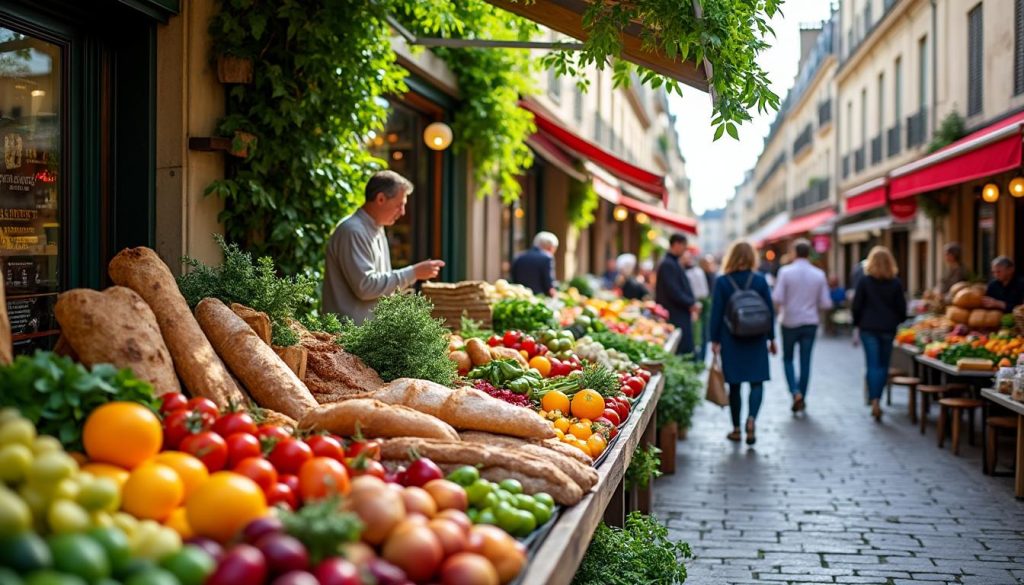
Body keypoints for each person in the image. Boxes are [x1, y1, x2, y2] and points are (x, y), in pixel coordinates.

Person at [323, 171, 444, 324]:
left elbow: (379, 284)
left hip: (364, 335)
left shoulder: (376, 227)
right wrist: (413, 272)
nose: (403, 212)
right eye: (399, 205)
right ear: (380, 199)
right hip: (346, 337)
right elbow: (365, 287)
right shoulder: (353, 231)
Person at [710, 241, 776, 445]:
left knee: (735, 385)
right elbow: (769, 311)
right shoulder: (760, 280)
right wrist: (772, 338)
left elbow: (717, 313)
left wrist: (714, 339)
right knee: (757, 382)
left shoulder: (722, 282)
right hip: (757, 337)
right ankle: (751, 419)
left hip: (732, 339)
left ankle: (737, 429)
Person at [772, 239, 832, 413]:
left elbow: (777, 298)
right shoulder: (819, 274)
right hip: (810, 321)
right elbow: (826, 303)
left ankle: (794, 391)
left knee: (788, 359)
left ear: (794, 253)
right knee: (806, 361)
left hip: (789, 321)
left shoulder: (785, 272)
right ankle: (802, 396)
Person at [851, 246, 907, 421]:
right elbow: (902, 310)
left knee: (872, 365)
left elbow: (856, 305)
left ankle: (873, 399)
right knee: (883, 366)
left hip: (868, 328)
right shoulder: (896, 283)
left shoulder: (865, 281)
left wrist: (857, 323)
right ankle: (878, 399)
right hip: (888, 329)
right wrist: (895, 321)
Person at [656, 234, 696, 357]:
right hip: (675, 314)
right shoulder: (668, 264)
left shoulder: (672, 262)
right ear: (677, 244)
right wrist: (690, 303)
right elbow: (674, 291)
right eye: (684, 245)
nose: (685, 249)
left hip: (678, 312)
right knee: (681, 350)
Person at [510, 232, 559, 296]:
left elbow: (514, 278)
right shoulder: (547, 258)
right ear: (550, 247)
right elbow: (549, 285)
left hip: (521, 296)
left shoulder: (519, 256)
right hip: (540, 298)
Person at [684, 250, 710, 361]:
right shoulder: (687, 272)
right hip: (692, 305)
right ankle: (697, 358)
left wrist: (696, 305)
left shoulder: (696, 272)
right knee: (696, 334)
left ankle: (699, 359)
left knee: (699, 334)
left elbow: (703, 292)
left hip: (697, 306)